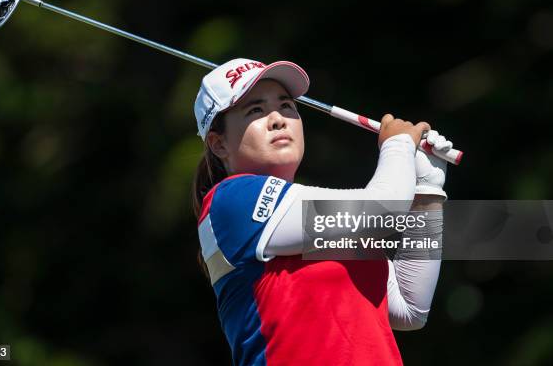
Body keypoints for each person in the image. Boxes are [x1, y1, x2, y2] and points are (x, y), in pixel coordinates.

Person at [191, 58, 452, 365]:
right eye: (255, 110)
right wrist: (397, 147)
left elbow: (410, 309)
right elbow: (382, 208)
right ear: (218, 144)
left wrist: (427, 189)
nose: (278, 119)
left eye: (287, 106)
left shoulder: (320, 216)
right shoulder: (232, 201)